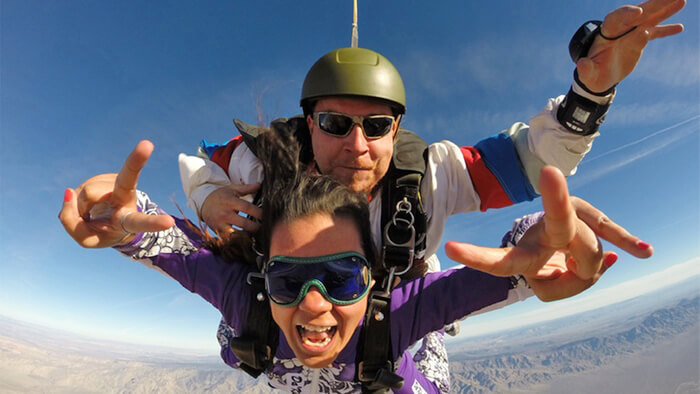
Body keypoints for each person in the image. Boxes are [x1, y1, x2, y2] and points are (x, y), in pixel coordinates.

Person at [176, 1, 682, 389]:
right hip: (291, 319)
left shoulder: (428, 179)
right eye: (335, 124)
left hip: (399, 313)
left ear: (396, 131)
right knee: (247, 345)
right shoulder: (263, 162)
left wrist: (588, 94)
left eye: (376, 126)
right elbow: (197, 159)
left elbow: (533, 160)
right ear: (309, 124)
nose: (357, 146)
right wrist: (209, 197)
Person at [59, 129, 646, 393]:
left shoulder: (400, 315)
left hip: (397, 353)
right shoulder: (251, 302)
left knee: (423, 341)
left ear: (372, 278)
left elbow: (513, 267)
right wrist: (114, 212)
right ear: (265, 276)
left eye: (340, 276)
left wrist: (544, 241)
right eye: (289, 278)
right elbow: (166, 240)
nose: (314, 303)